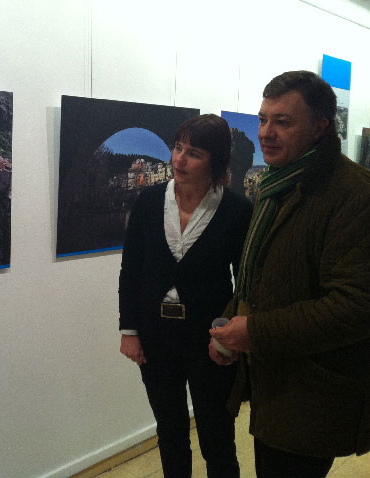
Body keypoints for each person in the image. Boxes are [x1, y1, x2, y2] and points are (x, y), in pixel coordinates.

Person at [209, 70, 370, 478]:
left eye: (283, 122)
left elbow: (356, 306)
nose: (265, 132)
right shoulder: (275, 184)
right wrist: (232, 323)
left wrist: (254, 333)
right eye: (263, 119)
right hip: (274, 381)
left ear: (319, 127)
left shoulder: (354, 193)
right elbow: (259, 270)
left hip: (313, 391)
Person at [119, 114, 253, 478]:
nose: (179, 159)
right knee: (171, 432)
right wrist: (129, 330)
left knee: (217, 437)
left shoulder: (237, 211)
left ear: (216, 161)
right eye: (178, 148)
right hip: (155, 339)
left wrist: (230, 340)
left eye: (193, 153)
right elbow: (131, 272)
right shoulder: (148, 203)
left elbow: (244, 284)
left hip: (210, 341)